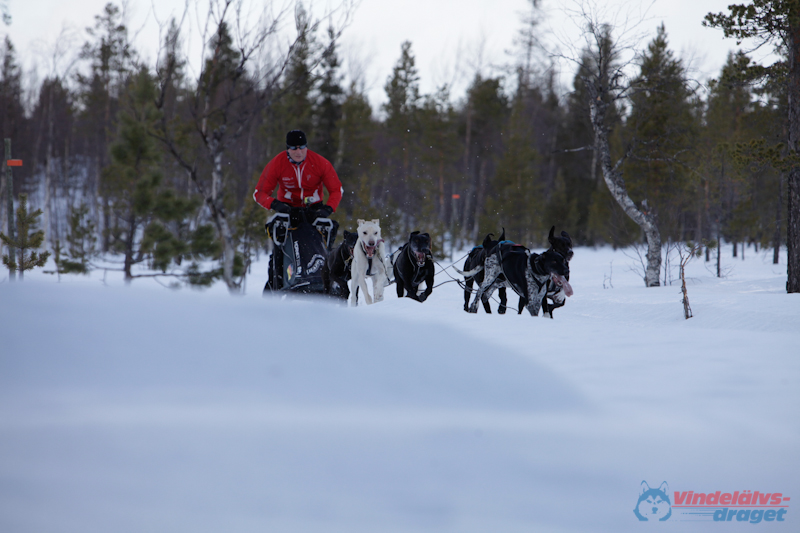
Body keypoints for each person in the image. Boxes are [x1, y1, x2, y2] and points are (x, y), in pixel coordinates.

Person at [254, 130, 343, 290]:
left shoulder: (320, 162)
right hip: (287, 212)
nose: (298, 152)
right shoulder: (278, 163)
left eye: (302, 147)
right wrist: (276, 205)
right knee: (279, 253)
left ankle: (329, 284)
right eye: (294, 148)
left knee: (326, 246)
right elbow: (259, 193)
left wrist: (327, 209)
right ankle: (277, 285)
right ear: (287, 148)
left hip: (315, 212)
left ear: (306, 147)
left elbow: (337, 190)